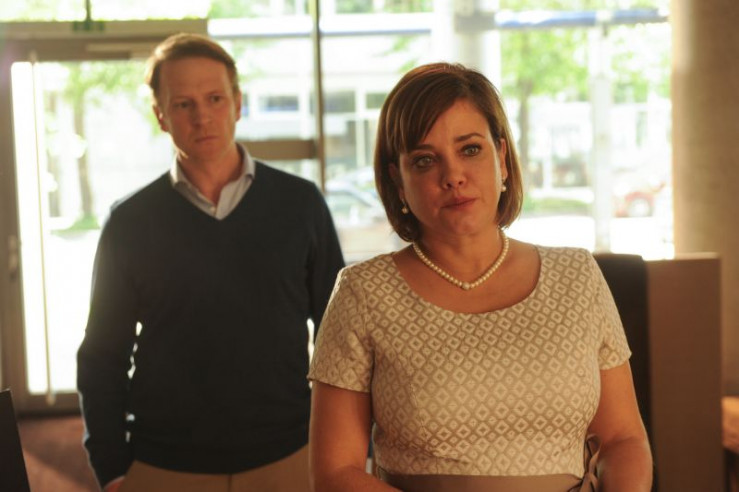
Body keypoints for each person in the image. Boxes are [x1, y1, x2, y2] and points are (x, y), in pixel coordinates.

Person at [307, 62, 653, 491]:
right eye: (425, 160)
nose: (453, 176)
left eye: (470, 149)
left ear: (502, 158)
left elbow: (624, 439)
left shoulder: (578, 276)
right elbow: (335, 473)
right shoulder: (363, 294)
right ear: (398, 181)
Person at [76, 32, 344, 492]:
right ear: (161, 116)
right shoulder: (130, 222)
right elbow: (103, 353)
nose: (202, 116)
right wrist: (112, 467)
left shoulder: (301, 204)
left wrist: (348, 447)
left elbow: (338, 337)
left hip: (290, 453)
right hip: (165, 462)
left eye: (215, 98)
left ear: (238, 104)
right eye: (183, 104)